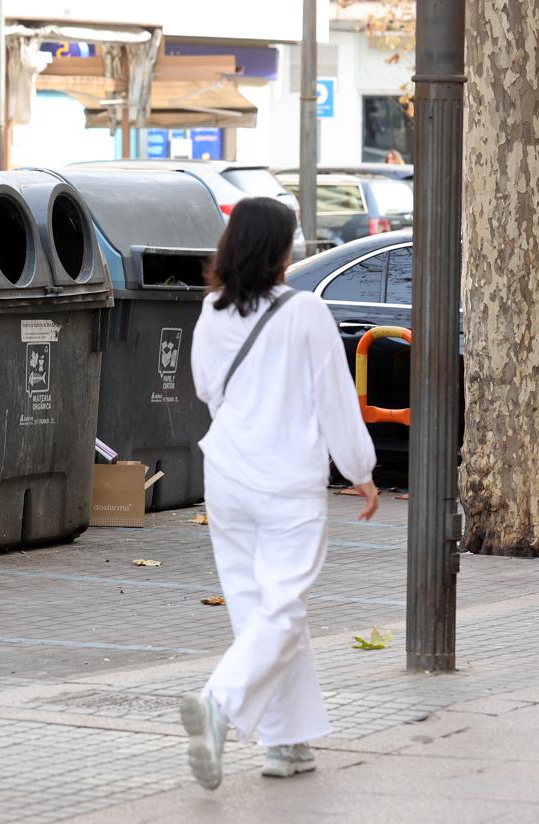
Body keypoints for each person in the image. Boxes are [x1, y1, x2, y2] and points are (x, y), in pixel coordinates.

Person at [181, 196, 378, 790]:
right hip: (286, 482)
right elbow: (334, 399)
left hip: (228, 475)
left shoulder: (213, 310)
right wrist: (360, 469)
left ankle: (285, 742)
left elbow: (204, 388)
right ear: (284, 249)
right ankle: (218, 704)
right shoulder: (306, 312)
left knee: (258, 610)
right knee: (282, 608)